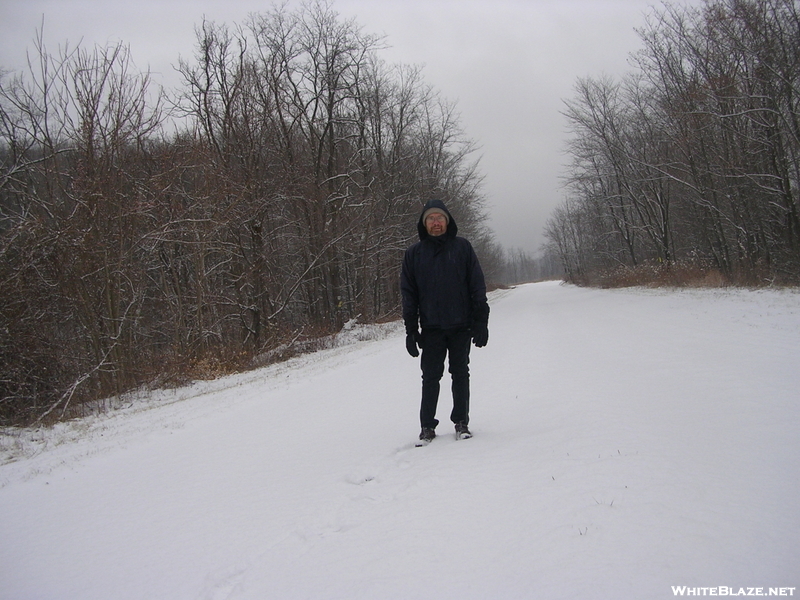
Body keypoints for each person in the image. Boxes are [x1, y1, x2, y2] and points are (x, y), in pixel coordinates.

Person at [400, 199, 489, 446]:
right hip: (431, 329)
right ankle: (427, 426)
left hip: (461, 325)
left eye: (440, 218)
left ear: (447, 222)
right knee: (430, 377)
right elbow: (409, 294)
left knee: (460, 373)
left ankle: (461, 423)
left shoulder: (462, 248)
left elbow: (477, 286)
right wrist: (411, 330)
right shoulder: (414, 254)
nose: (436, 222)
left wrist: (481, 320)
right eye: (431, 218)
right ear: (424, 223)